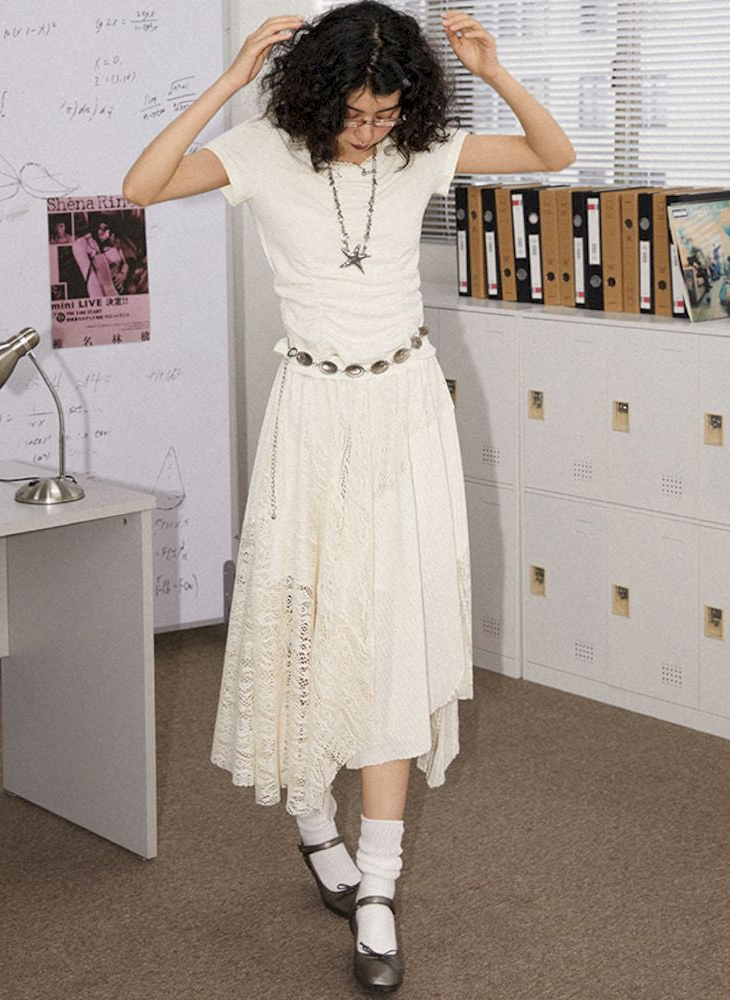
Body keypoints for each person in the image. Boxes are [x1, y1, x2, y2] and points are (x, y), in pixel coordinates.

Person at [122, 3, 575, 992]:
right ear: (316, 95)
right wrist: (230, 79)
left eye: (387, 113)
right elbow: (141, 186)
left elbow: (554, 153)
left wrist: (493, 73)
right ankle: (311, 818)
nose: (371, 131)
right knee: (305, 616)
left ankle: (377, 885)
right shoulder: (260, 151)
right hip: (314, 416)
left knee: (393, 636)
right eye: (356, 113)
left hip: (404, 412)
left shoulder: (419, 150)